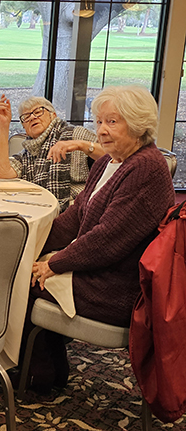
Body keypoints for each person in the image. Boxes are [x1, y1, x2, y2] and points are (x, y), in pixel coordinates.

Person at [22, 85, 175, 394]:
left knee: (24, 282)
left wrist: (55, 263)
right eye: (99, 121)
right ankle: (47, 368)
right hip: (98, 270)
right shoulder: (110, 161)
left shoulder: (146, 167)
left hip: (118, 287)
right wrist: (28, 243)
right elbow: (77, 216)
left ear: (137, 124)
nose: (101, 131)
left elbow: (108, 239)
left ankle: (39, 375)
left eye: (112, 122)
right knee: (22, 265)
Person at [0, 94, 105, 212]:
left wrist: (82, 145)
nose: (32, 117)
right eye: (26, 117)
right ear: (24, 128)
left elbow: (115, 156)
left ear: (53, 115)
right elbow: (2, 171)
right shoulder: (27, 153)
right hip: (40, 209)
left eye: (38, 111)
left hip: (76, 209)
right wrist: (3, 125)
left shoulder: (75, 135)